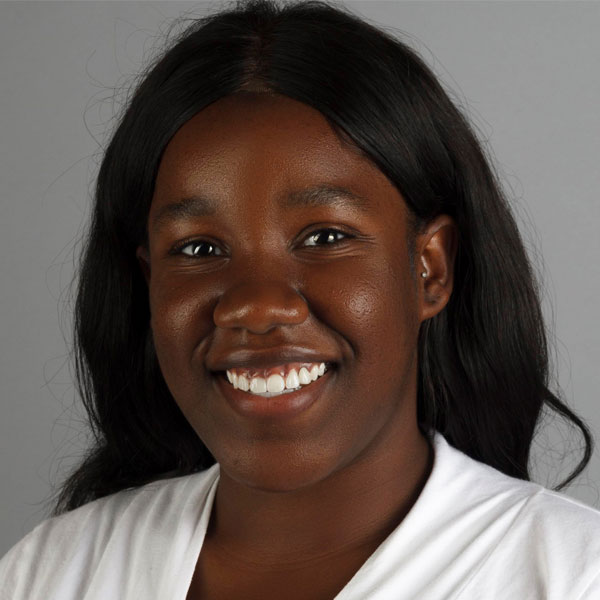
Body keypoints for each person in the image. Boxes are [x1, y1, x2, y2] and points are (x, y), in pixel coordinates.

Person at [1, 0, 599, 598]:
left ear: (429, 269)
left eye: (326, 237)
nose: (256, 306)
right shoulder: (52, 572)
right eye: (199, 250)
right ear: (148, 281)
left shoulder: (572, 574)